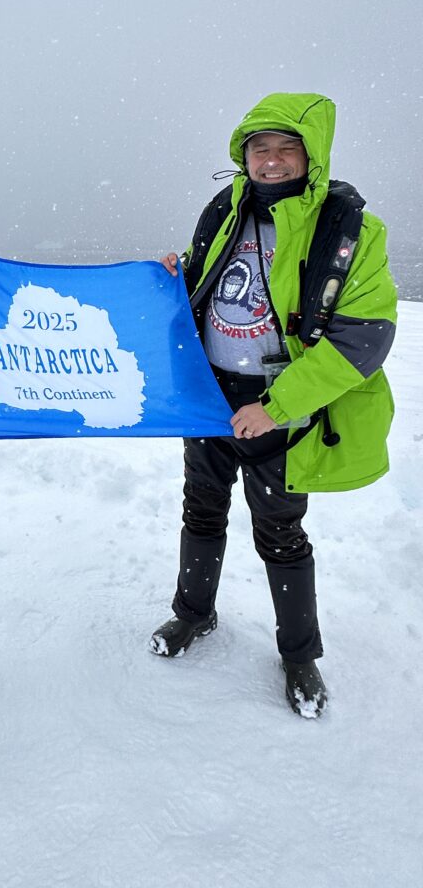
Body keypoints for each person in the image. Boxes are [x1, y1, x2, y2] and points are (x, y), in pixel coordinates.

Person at [150, 92, 396, 717]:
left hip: (280, 406)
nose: (273, 160)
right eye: (261, 149)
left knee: (281, 531)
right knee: (201, 510)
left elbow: (364, 339)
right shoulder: (224, 211)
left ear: (312, 156)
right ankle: (193, 616)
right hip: (211, 398)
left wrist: (277, 405)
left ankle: (298, 655)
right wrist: (175, 276)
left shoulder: (351, 231)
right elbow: (208, 291)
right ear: (244, 156)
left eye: (288, 148)